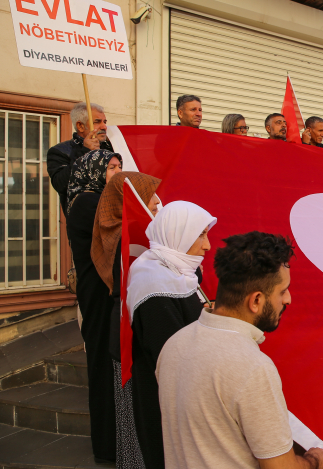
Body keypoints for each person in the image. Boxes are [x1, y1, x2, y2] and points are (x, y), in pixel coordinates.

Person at [157, 232, 323, 469]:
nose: (288, 299)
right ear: (256, 300)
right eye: (282, 291)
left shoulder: (174, 344)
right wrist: (314, 461)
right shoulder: (253, 367)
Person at [126, 201, 217, 469]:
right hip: (168, 404)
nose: (207, 245)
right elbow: (172, 358)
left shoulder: (178, 272)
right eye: (200, 234)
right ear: (178, 233)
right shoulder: (155, 284)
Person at [92, 172, 161, 469]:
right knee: (134, 416)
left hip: (130, 332)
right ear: (131, 201)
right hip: (128, 335)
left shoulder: (134, 231)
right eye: (150, 196)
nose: (158, 201)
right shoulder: (127, 236)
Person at [66, 149, 123, 463]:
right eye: (110, 167)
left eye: (119, 166)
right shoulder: (89, 201)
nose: (116, 172)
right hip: (98, 294)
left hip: (106, 291)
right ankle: (107, 445)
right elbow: (116, 232)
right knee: (102, 364)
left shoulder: (100, 199)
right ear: (94, 171)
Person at [48, 102, 114, 214]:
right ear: (80, 126)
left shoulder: (111, 148)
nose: (104, 126)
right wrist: (85, 152)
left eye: (104, 122)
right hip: (84, 221)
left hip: (113, 218)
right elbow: (61, 184)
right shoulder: (60, 151)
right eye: (97, 122)